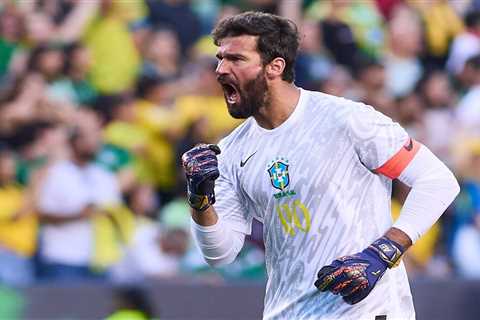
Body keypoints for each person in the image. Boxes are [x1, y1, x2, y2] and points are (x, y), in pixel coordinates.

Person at [181, 12, 460, 320]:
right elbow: (220, 253)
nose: (220, 70)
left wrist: (383, 253)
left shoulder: (346, 119)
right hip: (287, 313)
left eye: (236, 59)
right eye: (220, 59)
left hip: (367, 311)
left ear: (275, 67)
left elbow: (437, 181)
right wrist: (199, 199)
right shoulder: (232, 151)